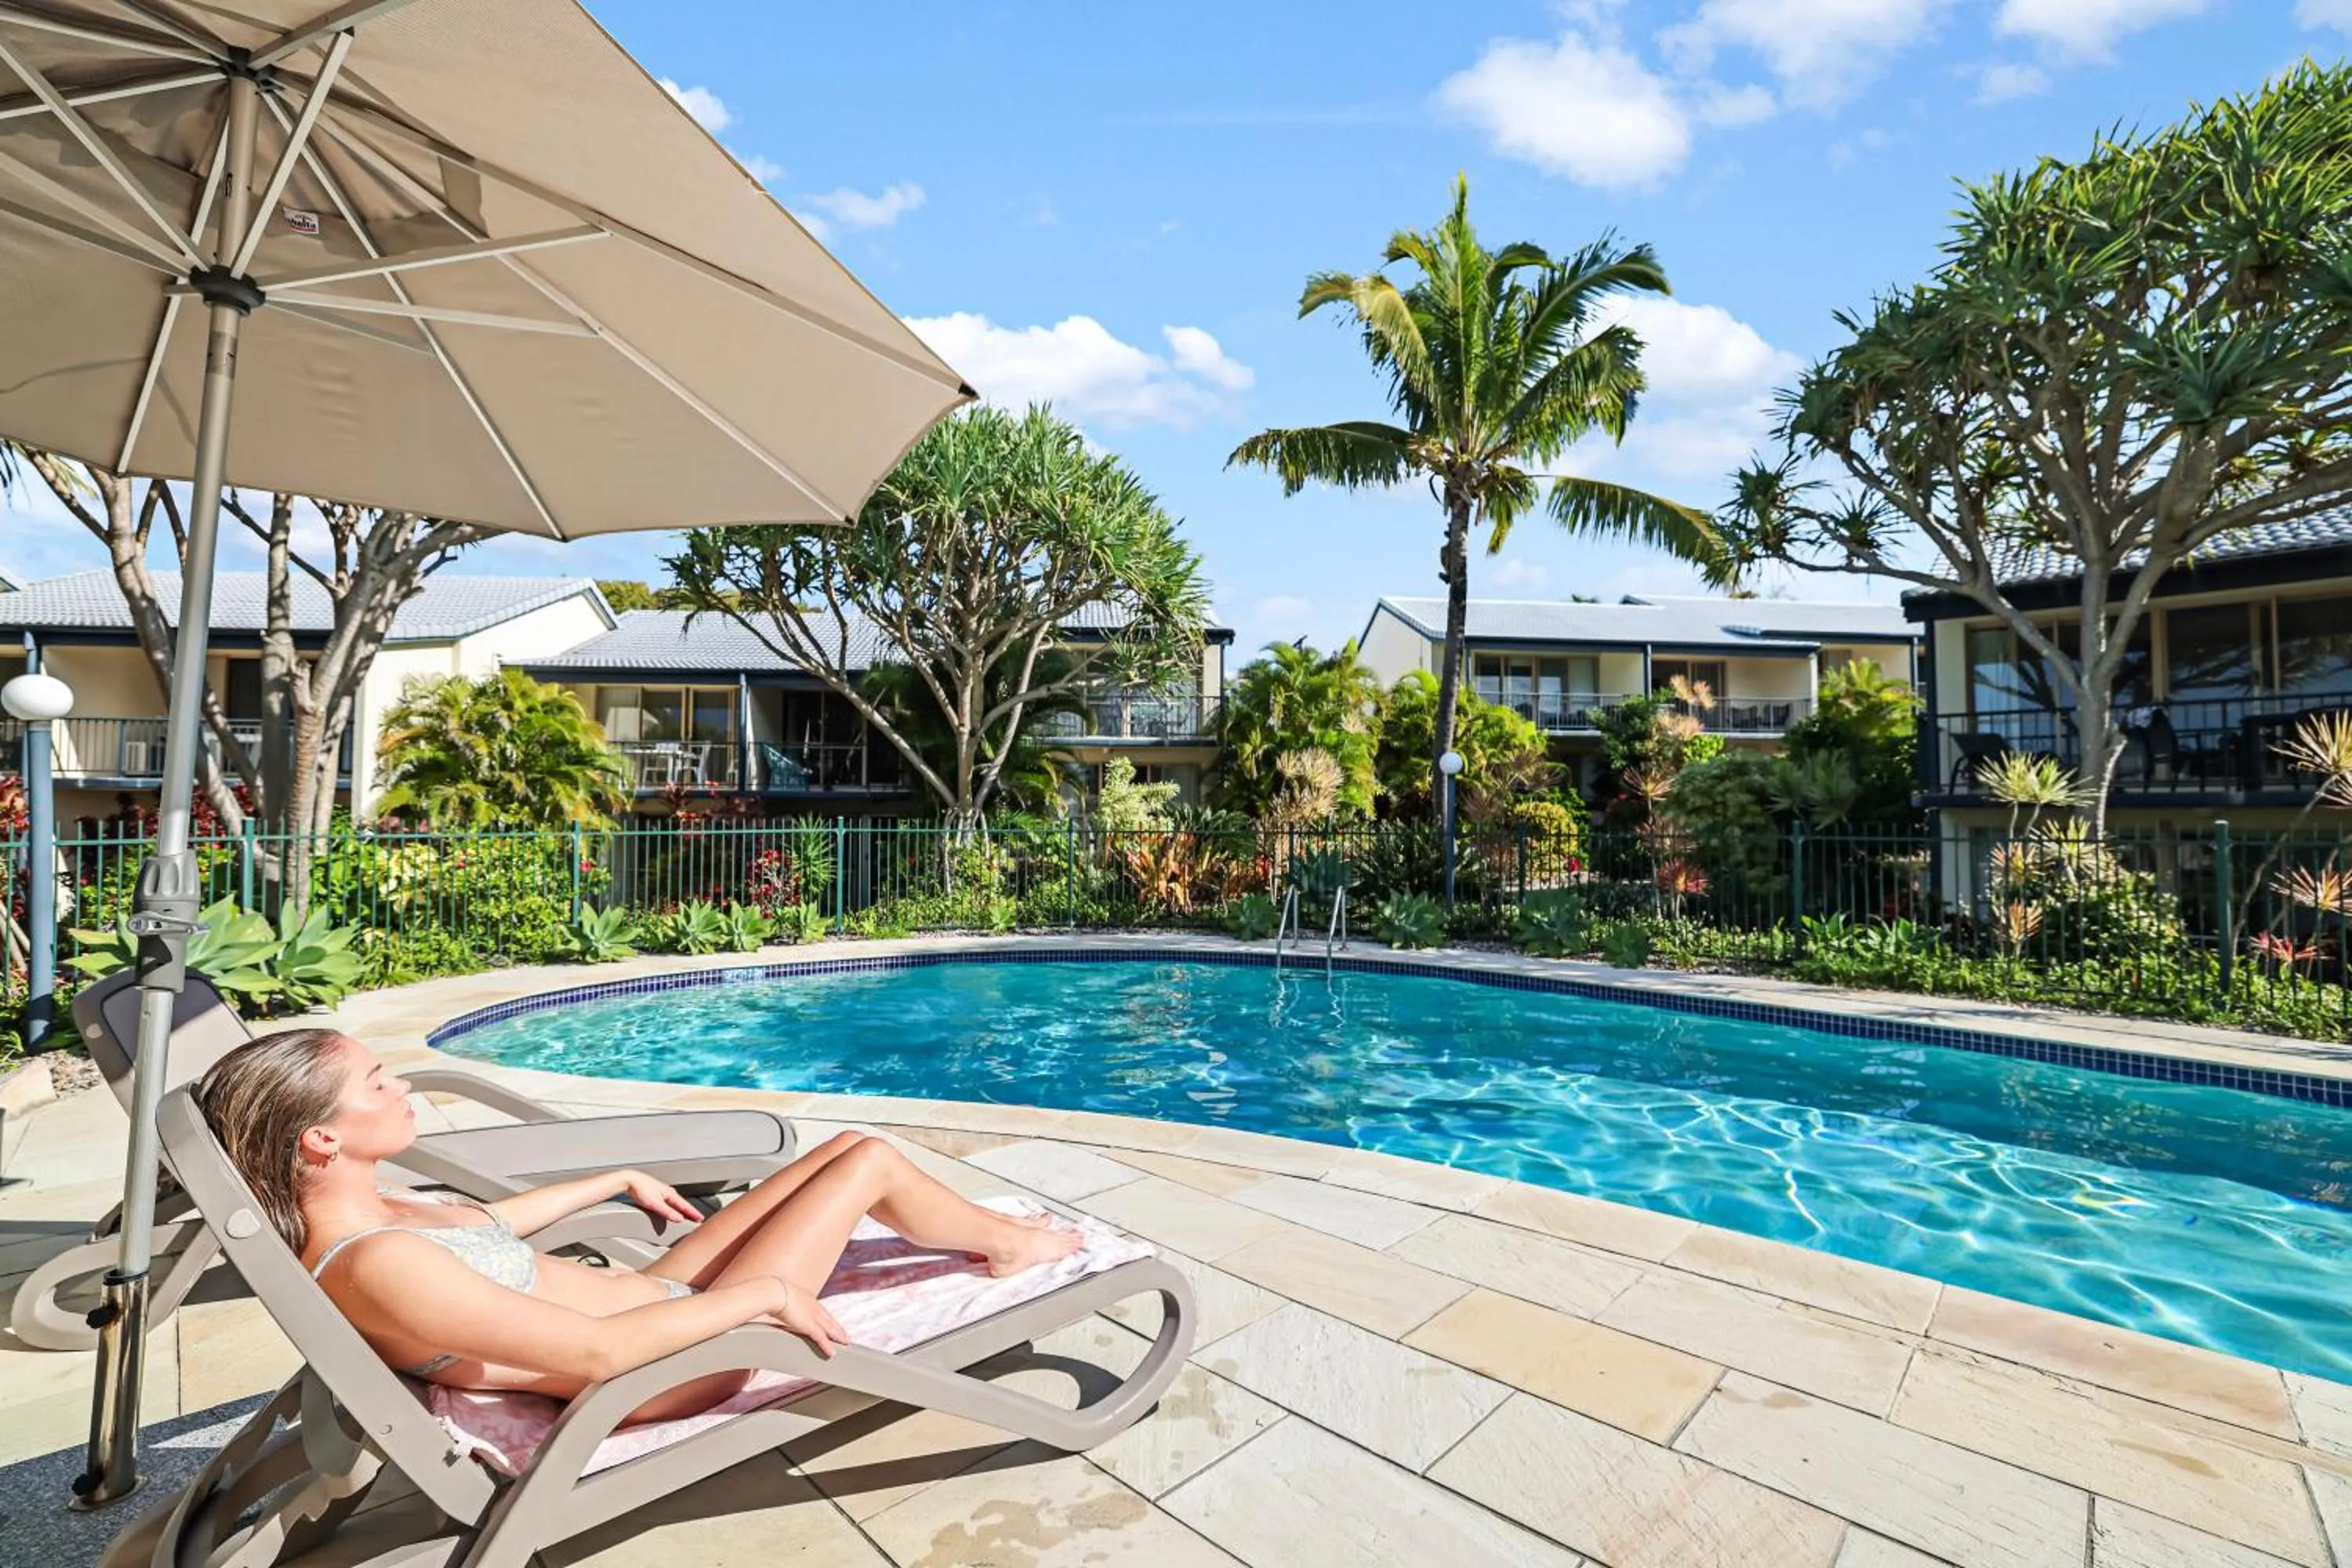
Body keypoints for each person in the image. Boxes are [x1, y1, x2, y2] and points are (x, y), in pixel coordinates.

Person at [194, 1029, 1081, 1423]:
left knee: (845, 1146)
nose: (402, 1088)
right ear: (322, 1138)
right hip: (668, 1367)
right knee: (869, 1163)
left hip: (657, 1299)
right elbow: (599, 1353)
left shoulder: (375, 1217)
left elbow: (485, 1227)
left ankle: (979, 1230)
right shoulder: (378, 1264)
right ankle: (1009, 1245)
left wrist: (611, 1179)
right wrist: (766, 1296)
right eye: (377, 1083)